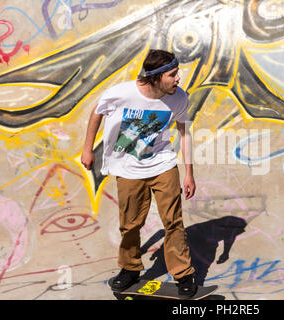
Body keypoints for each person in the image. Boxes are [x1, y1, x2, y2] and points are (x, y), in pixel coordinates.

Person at [81, 49, 197, 297]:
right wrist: (87, 149)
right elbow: (96, 112)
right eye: (173, 75)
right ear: (155, 77)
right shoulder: (121, 93)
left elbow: (184, 132)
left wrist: (189, 173)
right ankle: (130, 268)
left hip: (163, 165)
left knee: (173, 222)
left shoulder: (178, 99)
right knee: (130, 224)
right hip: (127, 168)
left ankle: (184, 274)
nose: (178, 79)